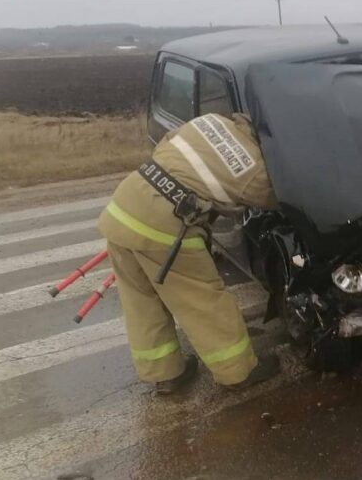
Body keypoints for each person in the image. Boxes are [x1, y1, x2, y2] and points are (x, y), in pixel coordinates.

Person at [98, 112, 280, 395]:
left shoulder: (208, 122)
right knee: (203, 299)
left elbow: (165, 148)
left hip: (123, 206)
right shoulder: (255, 170)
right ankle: (238, 372)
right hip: (165, 225)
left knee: (142, 300)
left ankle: (166, 375)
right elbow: (285, 200)